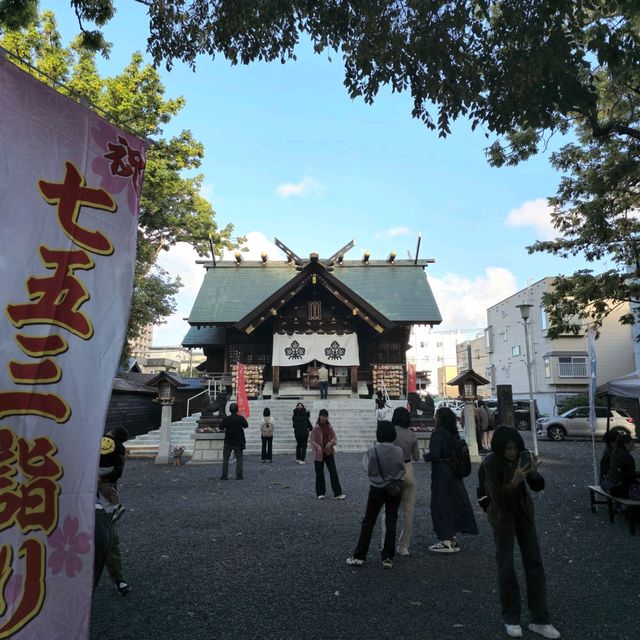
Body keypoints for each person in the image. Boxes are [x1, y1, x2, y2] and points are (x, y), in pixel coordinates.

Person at [481, 426, 560, 639]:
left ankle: (540, 619)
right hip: (502, 517)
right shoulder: (491, 463)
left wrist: (533, 474)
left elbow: (537, 486)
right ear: (499, 448)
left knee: (534, 563)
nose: (512, 452)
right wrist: (513, 482)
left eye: (515, 448)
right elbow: (495, 497)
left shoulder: (522, 458)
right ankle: (511, 617)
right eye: (508, 449)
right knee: (506, 567)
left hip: (523, 513)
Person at [346, 420, 405, 569]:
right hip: (394, 487)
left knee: (369, 521)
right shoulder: (398, 451)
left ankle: (360, 555)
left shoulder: (372, 451)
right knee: (391, 521)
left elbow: (367, 468)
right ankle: (388, 556)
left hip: (377, 487)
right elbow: (401, 469)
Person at [423, 406, 478, 552]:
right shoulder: (454, 434)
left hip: (441, 472)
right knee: (454, 502)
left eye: (436, 416)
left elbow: (435, 454)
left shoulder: (438, 435)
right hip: (454, 471)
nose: (434, 419)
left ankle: (445, 539)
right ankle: (452, 537)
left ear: (440, 419)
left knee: (440, 504)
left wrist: (424, 456)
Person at [100, 427, 132, 596]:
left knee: (110, 542)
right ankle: (119, 580)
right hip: (101, 502)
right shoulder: (118, 449)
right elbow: (118, 472)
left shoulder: (101, 442)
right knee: (110, 542)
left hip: (100, 504)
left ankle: (118, 579)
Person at [388, 406, 420, 556]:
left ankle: (385, 543)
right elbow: (417, 457)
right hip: (407, 469)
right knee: (408, 511)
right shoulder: (412, 436)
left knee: (388, 511)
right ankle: (404, 546)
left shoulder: (391, 432)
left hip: (393, 470)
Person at [310, 408, 346, 500]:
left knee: (333, 472)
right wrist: (318, 447)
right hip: (319, 453)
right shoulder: (316, 428)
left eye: (325, 416)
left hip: (329, 452)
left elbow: (334, 438)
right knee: (319, 473)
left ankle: (337, 493)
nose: (324, 418)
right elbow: (312, 441)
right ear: (319, 416)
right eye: (322, 416)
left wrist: (331, 443)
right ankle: (320, 493)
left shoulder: (329, 427)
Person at [604, 432, 640, 498]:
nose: (634, 445)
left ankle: (630, 507)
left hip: (612, 487)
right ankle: (631, 507)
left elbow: (624, 473)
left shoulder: (615, 453)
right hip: (622, 490)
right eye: (632, 443)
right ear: (625, 444)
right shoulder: (627, 457)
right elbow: (631, 479)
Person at [219, 402, 249, 480]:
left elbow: (221, 427)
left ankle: (224, 475)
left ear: (229, 410)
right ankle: (239, 475)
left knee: (226, 459)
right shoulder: (240, 418)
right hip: (238, 441)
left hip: (228, 441)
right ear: (237, 410)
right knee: (239, 459)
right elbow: (246, 425)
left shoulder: (226, 419)